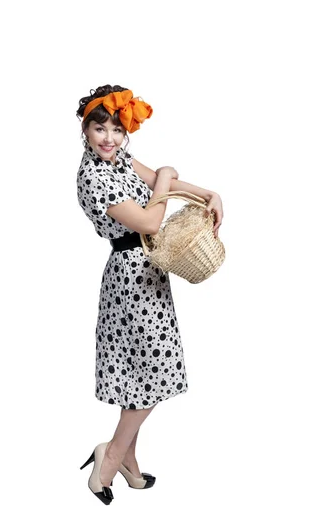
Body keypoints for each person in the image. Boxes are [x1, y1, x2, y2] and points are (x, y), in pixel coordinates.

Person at [76, 84, 223, 505]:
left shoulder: (118, 157)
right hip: (130, 281)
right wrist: (165, 174)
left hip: (149, 274)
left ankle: (129, 462)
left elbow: (157, 180)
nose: (109, 138)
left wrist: (206, 194)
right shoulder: (92, 177)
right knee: (154, 376)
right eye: (100, 128)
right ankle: (110, 458)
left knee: (142, 375)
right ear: (85, 129)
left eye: (118, 131)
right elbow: (151, 222)